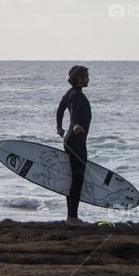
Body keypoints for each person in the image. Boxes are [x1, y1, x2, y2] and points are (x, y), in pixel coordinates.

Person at [56, 65, 91, 227]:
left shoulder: (69, 93)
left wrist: (59, 127)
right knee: (77, 179)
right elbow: (75, 111)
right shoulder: (77, 96)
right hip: (76, 142)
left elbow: (60, 110)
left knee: (73, 179)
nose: (88, 79)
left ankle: (71, 217)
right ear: (79, 78)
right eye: (85, 76)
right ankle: (72, 218)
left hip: (70, 141)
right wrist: (75, 124)